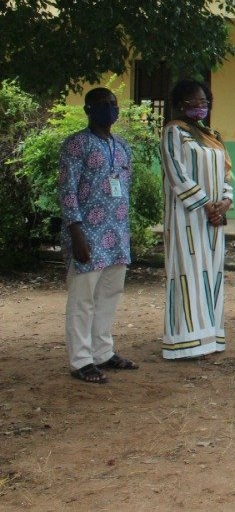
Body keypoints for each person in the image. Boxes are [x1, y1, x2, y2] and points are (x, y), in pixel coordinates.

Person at [59, 88, 138, 383]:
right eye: (101, 104)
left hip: (116, 233)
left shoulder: (122, 145)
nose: (108, 108)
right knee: (83, 299)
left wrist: (125, 231)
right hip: (87, 234)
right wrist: (75, 232)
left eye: (112, 103)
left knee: (109, 295)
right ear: (88, 110)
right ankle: (80, 360)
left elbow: (124, 189)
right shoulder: (76, 144)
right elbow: (67, 191)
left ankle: (102, 352)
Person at [161, 80, 233, 360]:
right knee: (187, 274)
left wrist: (225, 203)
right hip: (187, 217)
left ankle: (209, 337)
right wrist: (206, 205)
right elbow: (176, 173)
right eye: (193, 102)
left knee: (210, 274)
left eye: (204, 102)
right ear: (179, 104)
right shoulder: (173, 132)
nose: (200, 107)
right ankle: (186, 341)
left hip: (213, 220)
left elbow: (226, 174)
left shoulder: (212, 135)